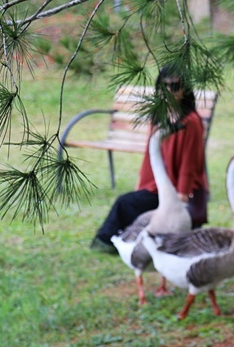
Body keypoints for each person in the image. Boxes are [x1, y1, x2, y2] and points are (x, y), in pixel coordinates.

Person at [90, 65, 209, 253]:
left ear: (185, 89)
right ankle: (116, 241)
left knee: (124, 202)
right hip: (157, 186)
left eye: (175, 86)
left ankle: (108, 243)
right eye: (165, 86)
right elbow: (150, 155)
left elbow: (190, 163)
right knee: (130, 203)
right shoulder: (159, 116)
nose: (170, 91)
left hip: (178, 190)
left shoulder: (191, 122)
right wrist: (143, 184)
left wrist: (181, 198)